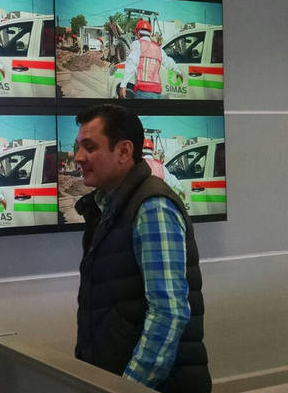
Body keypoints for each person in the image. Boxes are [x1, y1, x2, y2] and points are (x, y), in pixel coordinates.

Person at [72, 104, 209, 392]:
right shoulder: (106, 207)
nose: (78, 157)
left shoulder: (152, 207)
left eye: (90, 147)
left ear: (124, 151)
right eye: (78, 147)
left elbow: (168, 313)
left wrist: (127, 387)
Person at [118, 19, 183, 99]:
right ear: (150, 34)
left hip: (143, 91)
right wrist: (178, 71)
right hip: (157, 92)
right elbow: (168, 61)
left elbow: (131, 64)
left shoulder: (138, 44)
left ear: (138, 33)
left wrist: (123, 85)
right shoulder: (158, 48)